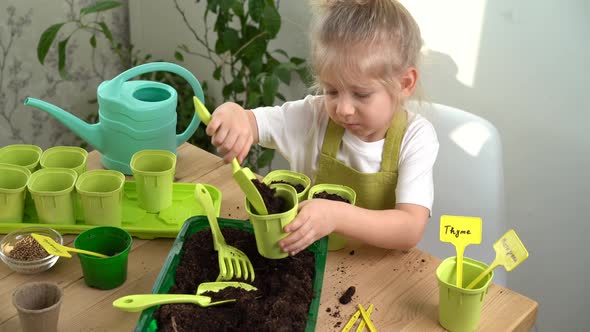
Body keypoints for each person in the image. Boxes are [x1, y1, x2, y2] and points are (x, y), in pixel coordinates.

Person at [205, 0, 439, 256]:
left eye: (361, 94)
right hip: (307, 257)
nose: (343, 109)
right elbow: (250, 122)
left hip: (375, 269)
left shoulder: (416, 137)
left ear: (404, 83)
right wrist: (233, 114)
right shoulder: (313, 115)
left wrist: (336, 216)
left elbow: (410, 229)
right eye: (332, 91)